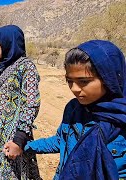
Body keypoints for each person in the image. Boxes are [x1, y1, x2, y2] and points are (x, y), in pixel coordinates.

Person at [17, 40, 126, 179]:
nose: (74, 88)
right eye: (70, 81)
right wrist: (26, 145)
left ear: (108, 79)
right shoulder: (73, 108)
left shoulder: (122, 119)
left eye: (84, 81)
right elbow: (60, 141)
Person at [0, 25, 41, 179]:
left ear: (8, 42)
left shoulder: (26, 67)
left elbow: (31, 104)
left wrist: (19, 139)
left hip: (10, 141)